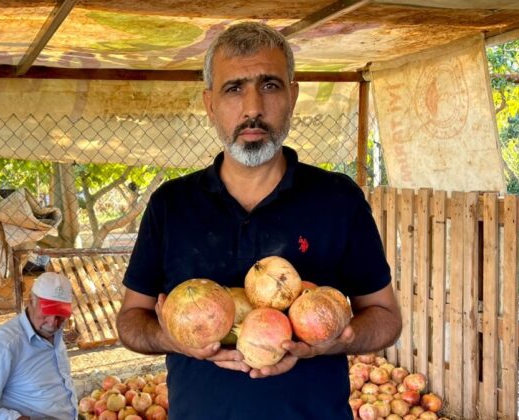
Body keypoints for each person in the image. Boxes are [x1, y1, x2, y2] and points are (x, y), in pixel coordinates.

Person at [116, 21, 402, 420]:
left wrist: (330, 341)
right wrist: (173, 338)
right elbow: (130, 321)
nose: (253, 108)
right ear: (210, 103)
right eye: (234, 88)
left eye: (270, 85)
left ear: (293, 96)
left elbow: (387, 318)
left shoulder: (338, 199)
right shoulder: (171, 205)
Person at [0, 272, 78, 420]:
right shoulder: (4, 344)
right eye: (47, 313)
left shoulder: (54, 333)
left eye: (60, 315)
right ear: (30, 301)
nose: (53, 323)